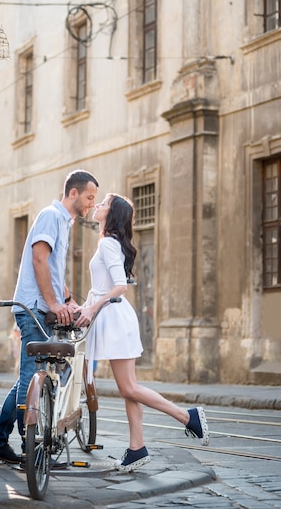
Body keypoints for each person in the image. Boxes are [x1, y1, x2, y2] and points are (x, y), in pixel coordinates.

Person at [75, 193, 209, 472]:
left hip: (114, 318)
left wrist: (92, 309)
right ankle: (137, 448)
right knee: (129, 390)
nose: (97, 205)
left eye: (104, 203)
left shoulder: (109, 244)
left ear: (112, 215)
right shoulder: (108, 243)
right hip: (112, 316)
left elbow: (120, 285)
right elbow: (101, 286)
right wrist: (84, 307)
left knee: (129, 387)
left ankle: (188, 417)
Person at [0, 169, 99, 463]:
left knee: (29, 378)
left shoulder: (62, 222)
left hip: (41, 308)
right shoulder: (51, 215)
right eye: (89, 197)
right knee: (30, 376)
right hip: (34, 309)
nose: (90, 204)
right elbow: (38, 259)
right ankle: (30, 447)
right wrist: (52, 303)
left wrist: (68, 300)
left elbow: (53, 270)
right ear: (73, 193)